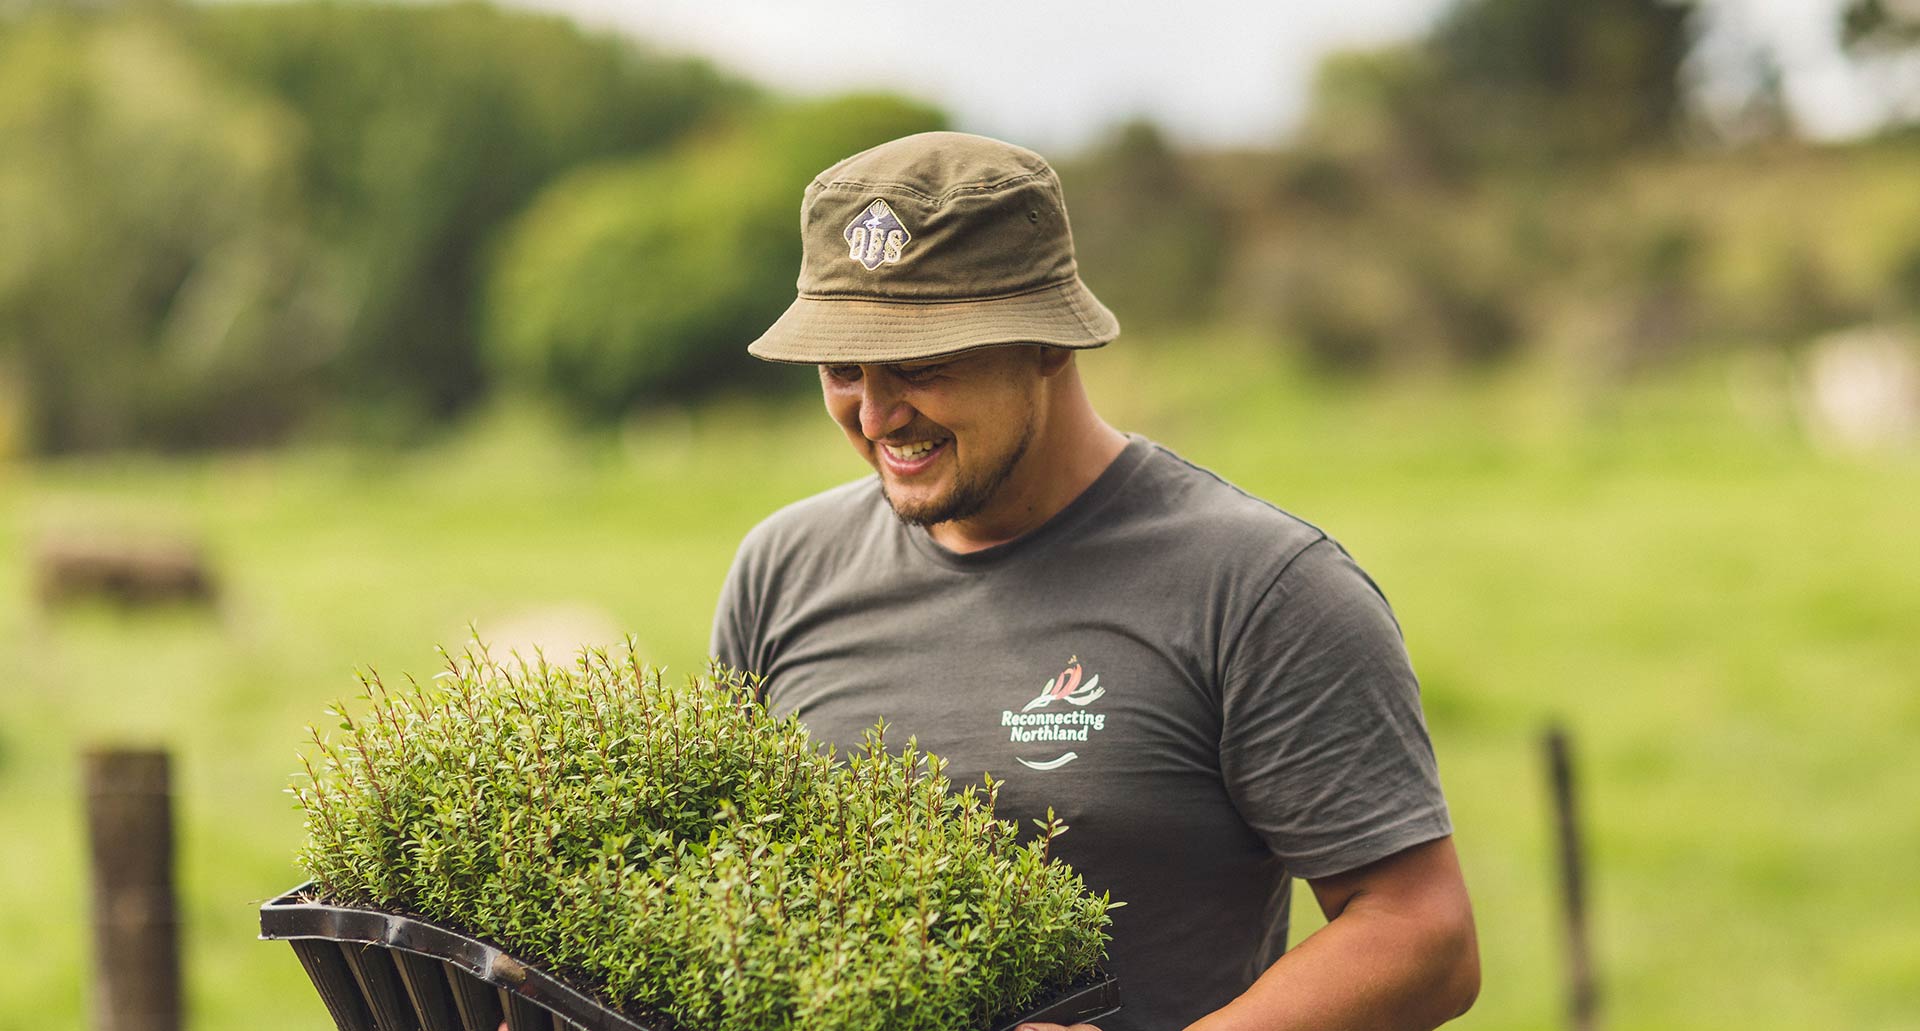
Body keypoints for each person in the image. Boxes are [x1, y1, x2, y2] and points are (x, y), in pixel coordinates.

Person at [710, 131, 1478, 1031]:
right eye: (842, 368)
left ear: (1046, 340)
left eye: (919, 364)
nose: (876, 414)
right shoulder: (782, 567)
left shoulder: (1262, 588)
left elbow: (1423, 935)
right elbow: (722, 878)